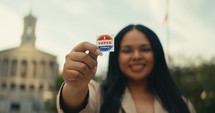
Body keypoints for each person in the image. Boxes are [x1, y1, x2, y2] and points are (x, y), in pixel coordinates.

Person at [56, 24, 196, 113]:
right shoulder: (99, 95)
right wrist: (75, 87)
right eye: (127, 50)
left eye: (145, 49)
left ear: (157, 54)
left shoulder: (181, 103)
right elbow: (73, 107)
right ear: (116, 56)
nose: (136, 56)